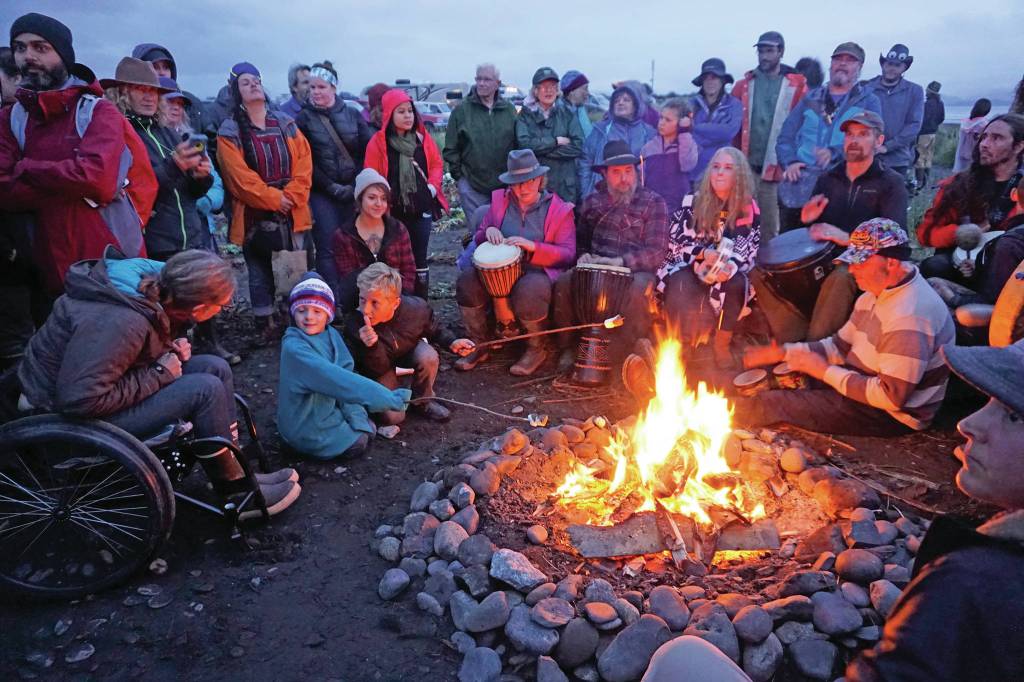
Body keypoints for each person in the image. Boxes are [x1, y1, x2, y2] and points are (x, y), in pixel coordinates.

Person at [16, 248, 301, 517]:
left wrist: (168, 349)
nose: (221, 311)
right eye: (221, 307)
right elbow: (79, 399)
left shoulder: (156, 286)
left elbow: (123, 356)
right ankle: (236, 494)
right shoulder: (122, 321)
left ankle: (238, 474)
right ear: (200, 308)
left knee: (215, 368)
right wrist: (160, 373)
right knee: (204, 389)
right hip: (62, 420)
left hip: (93, 393)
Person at [738, 219, 954, 436]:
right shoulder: (873, 295)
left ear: (891, 262)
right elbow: (839, 346)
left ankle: (719, 419)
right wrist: (785, 352)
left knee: (774, 403)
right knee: (775, 381)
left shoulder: (910, 316)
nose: (851, 270)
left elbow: (891, 398)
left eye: (860, 262)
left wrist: (823, 371)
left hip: (888, 414)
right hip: (860, 380)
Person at [1, 13, 155, 298]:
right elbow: (4, 189)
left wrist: (27, 168)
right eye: (20, 48)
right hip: (44, 267)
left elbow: (99, 181)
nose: (28, 56)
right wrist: (72, 183)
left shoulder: (97, 111)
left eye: (40, 47)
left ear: (63, 54)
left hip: (107, 261)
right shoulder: (11, 119)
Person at [752, 110, 909, 342]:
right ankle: (793, 342)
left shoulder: (891, 183)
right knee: (760, 271)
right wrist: (804, 218)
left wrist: (847, 238)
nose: (853, 141)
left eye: (863, 134)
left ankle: (815, 349)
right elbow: (812, 228)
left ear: (879, 141)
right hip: (822, 258)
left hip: (862, 262)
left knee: (841, 276)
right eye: (849, 135)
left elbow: (896, 243)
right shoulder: (829, 178)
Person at [454, 149, 576, 375]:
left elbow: (568, 254)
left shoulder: (559, 210)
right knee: (467, 281)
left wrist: (534, 247)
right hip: (499, 271)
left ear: (540, 179)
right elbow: (480, 235)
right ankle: (480, 342)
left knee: (530, 290)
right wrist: (488, 230)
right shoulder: (500, 201)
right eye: (517, 182)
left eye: (529, 181)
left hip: (536, 272)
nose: (523, 188)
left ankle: (535, 348)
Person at [216, 61, 313, 342]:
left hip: (291, 211)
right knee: (259, 270)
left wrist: (291, 197)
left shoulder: (285, 123)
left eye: (256, 80)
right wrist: (273, 199)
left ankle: (294, 319)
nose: (253, 85)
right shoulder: (230, 130)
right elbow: (237, 177)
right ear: (236, 90)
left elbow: (304, 163)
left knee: (292, 265)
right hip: (254, 215)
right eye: (245, 82)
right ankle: (264, 324)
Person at [553, 140, 669, 369]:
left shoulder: (653, 202)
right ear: (605, 174)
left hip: (635, 271)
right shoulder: (591, 202)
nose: (624, 178)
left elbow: (657, 251)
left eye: (628, 171)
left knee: (639, 291)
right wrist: (584, 257)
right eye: (616, 172)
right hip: (597, 267)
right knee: (565, 282)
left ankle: (626, 355)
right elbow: (581, 241)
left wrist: (621, 262)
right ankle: (569, 346)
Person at [277, 272, 410, 460]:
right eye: (301, 310)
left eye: (317, 311)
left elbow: (347, 370)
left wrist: (357, 416)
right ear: (293, 312)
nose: (309, 317)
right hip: (306, 422)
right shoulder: (294, 348)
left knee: (367, 427)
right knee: (360, 441)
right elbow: (340, 381)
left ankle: (347, 425)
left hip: (329, 407)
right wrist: (387, 397)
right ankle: (301, 446)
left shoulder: (330, 334)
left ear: (328, 315)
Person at [657, 147, 761, 368]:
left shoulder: (748, 208)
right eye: (716, 167)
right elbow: (677, 241)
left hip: (726, 268)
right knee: (681, 283)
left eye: (728, 168)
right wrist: (701, 258)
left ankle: (721, 345)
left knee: (736, 283)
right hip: (690, 263)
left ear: (739, 175)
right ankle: (681, 347)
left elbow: (746, 247)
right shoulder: (692, 201)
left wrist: (728, 268)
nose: (720, 173)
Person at [103, 57, 213, 261]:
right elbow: (129, 192)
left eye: (153, 91)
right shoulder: (116, 134)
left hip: (192, 240)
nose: (149, 97)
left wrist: (201, 177)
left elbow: (191, 194)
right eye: (140, 89)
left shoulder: (169, 132)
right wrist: (174, 166)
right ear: (121, 93)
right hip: (153, 247)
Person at [346, 263, 474, 423]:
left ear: (395, 303)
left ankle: (422, 401)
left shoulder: (416, 309)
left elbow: (434, 328)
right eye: (362, 300)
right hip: (380, 366)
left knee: (428, 356)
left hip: (405, 350)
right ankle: (382, 397)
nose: (365, 309)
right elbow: (374, 370)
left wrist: (452, 341)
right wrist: (371, 346)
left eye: (374, 303)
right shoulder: (357, 325)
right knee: (394, 417)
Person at [776, 42, 882, 231]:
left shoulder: (869, 101)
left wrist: (835, 153)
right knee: (791, 244)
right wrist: (790, 162)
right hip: (801, 183)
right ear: (831, 65)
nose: (842, 64)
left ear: (860, 68)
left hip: (844, 183)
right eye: (838, 59)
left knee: (833, 245)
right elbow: (785, 137)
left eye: (850, 61)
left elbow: (872, 142)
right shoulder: (809, 99)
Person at [295, 61, 372, 294]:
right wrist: (330, 186)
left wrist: (355, 184)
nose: (316, 92)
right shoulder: (303, 119)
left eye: (321, 87)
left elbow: (366, 150)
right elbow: (305, 160)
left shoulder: (352, 114)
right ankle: (333, 297)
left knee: (354, 243)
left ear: (333, 88)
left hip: (352, 190)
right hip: (322, 192)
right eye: (312, 87)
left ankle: (356, 293)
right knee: (327, 246)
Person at [917, 114, 1024, 280]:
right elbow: (925, 234)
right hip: (959, 265)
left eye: (997, 138)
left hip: (1009, 270)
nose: (984, 144)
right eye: (984, 137)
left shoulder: (1021, 188)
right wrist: (961, 234)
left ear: (1018, 147)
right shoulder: (958, 185)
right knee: (934, 266)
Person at [364, 88, 448, 299]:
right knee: (393, 258)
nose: (407, 116)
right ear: (390, 114)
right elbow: (371, 175)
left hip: (420, 207)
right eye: (401, 111)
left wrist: (431, 187)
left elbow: (437, 164)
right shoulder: (378, 142)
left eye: (410, 111)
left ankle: (421, 306)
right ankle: (396, 303)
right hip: (392, 212)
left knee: (420, 258)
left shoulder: (422, 138)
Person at [730, 31, 808, 240]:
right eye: (761, 51)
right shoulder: (744, 84)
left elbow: (805, 126)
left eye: (770, 51)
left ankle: (767, 270)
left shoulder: (796, 85)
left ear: (781, 52)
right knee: (739, 222)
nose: (764, 56)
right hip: (745, 168)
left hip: (775, 171)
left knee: (770, 227)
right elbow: (732, 125)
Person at [928, 175, 1024, 312]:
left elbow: (992, 300)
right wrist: (980, 268)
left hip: (1006, 317)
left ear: (1014, 194)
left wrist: (954, 298)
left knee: (933, 284)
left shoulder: (1010, 243)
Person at [442, 63, 518, 221]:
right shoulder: (461, 111)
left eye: (487, 79)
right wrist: (461, 179)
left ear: (497, 83)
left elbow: (517, 145)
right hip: (472, 188)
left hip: (504, 186)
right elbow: (451, 149)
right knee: (479, 235)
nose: (481, 83)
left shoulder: (509, 110)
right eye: (479, 79)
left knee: (504, 234)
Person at [333, 168, 416, 312]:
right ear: (360, 199)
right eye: (372, 197)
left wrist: (398, 300)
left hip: (396, 300)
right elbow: (348, 280)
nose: (379, 203)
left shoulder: (397, 229)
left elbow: (408, 270)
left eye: (383, 198)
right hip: (361, 304)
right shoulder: (343, 235)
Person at [515, 67, 585, 204]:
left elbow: (578, 145)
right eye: (544, 87)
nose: (549, 90)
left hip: (565, 188)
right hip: (537, 187)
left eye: (553, 86)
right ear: (535, 90)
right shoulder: (525, 116)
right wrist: (555, 141)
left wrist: (542, 152)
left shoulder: (567, 114)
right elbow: (524, 145)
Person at [580, 81, 657, 198]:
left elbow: (654, 168)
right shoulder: (600, 129)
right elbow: (585, 161)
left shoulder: (649, 132)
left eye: (626, 100)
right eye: (616, 100)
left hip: (638, 199)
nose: (620, 103)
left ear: (636, 104)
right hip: (602, 198)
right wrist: (586, 193)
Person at [866, 44, 924, 184]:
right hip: (867, 156)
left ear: (904, 68)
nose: (892, 68)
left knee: (892, 202)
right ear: (883, 64)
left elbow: (914, 125)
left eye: (897, 65)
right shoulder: (867, 87)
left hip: (897, 160)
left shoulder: (915, 91)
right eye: (889, 63)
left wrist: (887, 147)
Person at [639, 97, 698, 211]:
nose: (662, 123)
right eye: (661, 118)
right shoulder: (648, 147)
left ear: (681, 122)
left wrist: (684, 132)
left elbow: (687, 165)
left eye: (668, 120)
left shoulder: (689, 144)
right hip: (652, 207)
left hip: (679, 206)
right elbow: (641, 178)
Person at [690, 59, 743, 182]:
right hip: (693, 173)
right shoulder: (690, 104)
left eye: (714, 77)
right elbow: (687, 134)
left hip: (722, 172)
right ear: (701, 81)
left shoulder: (734, 104)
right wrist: (715, 132)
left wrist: (697, 127)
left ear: (722, 81)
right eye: (706, 78)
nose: (710, 81)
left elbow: (728, 132)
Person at [916, 80, 946, 188]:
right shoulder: (940, 104)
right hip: (933, 133)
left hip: (924, 133)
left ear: (929, 91)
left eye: (926, 91)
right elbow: (942, 118)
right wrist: (935, 126)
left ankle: (919, 183)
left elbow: (922, 120)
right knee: (928, 157)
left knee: (920, 157)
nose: (925, 92)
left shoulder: (926, 105)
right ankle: (926, 181)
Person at [953, 97, 990, 174]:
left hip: (962, 152)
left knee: (960, 174)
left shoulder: (965, 121)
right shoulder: (984, 124)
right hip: (975, 154)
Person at [561, 69, 593, 140]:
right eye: (585, 88)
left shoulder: (582, 110)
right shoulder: (559, 115)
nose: (588, 93)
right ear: (572, 90)